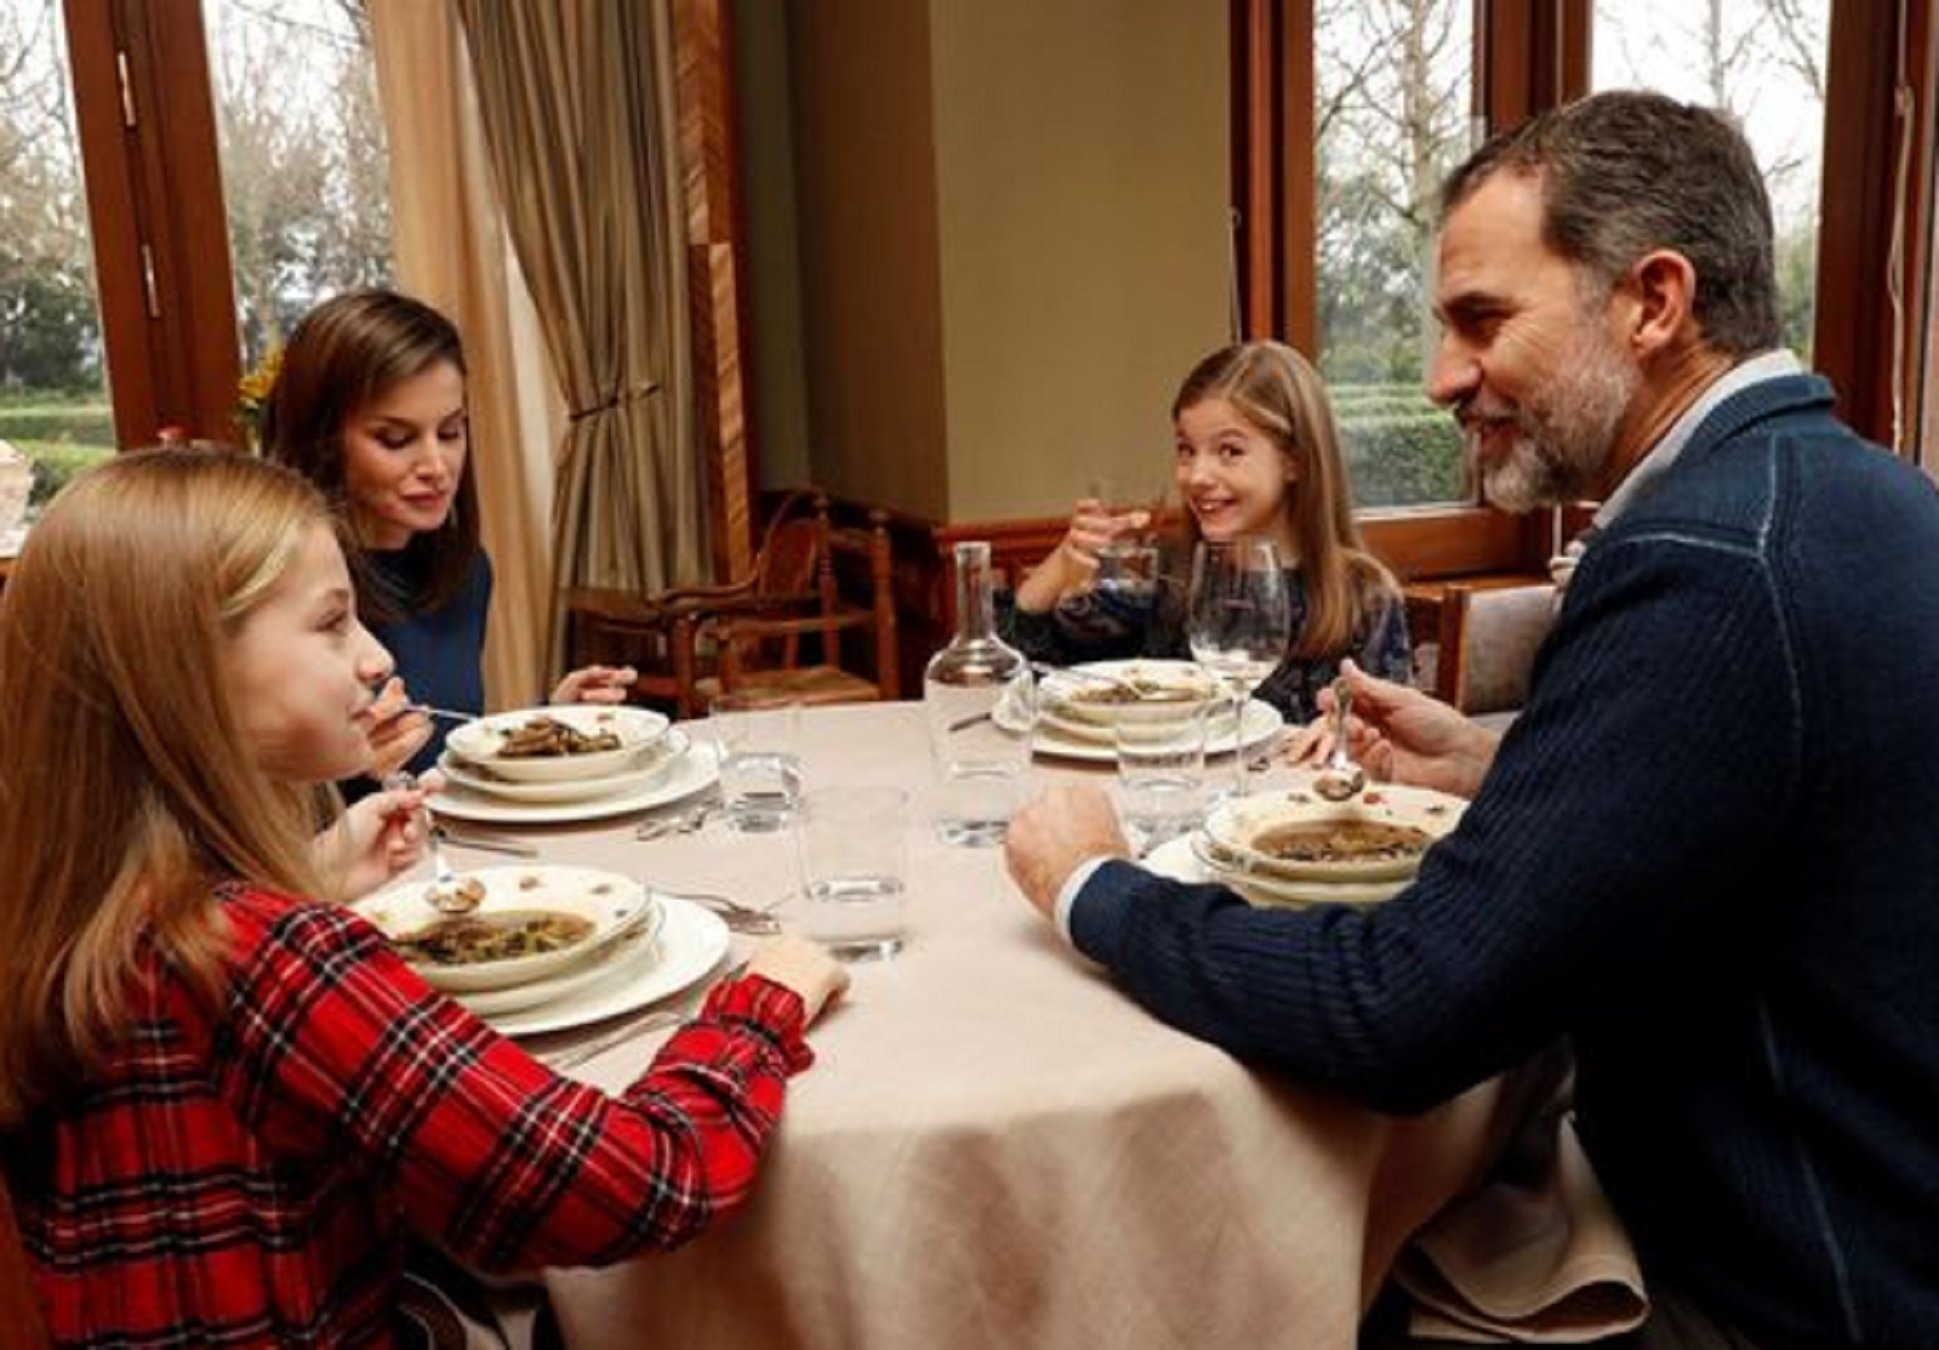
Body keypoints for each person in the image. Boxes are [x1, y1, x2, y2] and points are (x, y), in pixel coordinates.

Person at [1003, 90, 1939, 1348]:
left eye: (1480, 321)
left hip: (1781, 1290)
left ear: (1653, 303)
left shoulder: (1704, 558)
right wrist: (1509, 767)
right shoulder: (1864, 491)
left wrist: (1091, 887)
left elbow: (1399, 1010)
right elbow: (1784, 814)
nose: (1443, 375)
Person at [0, 449, 848, 1346]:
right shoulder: (270, 960)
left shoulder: (66, 911)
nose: (373, 660)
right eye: (331, 626)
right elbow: (629, 1185)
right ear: (182, 676)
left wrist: (312, 876)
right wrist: (764, 1003)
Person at [262, 288, 636, 780]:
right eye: (395, 439)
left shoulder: (465, 573)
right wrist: (352, 772)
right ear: (323, 439)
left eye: (450, 432)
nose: (437, 466)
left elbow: (444, 752)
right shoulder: (278, 589)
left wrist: (548, 721)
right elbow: (254, 811)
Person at [1001, 340, 1411, 724]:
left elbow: (1386, 749)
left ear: (1295, 462)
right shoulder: (1171, 572)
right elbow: (1031, 666)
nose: (1196, 476)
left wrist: (1350, 739)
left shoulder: (1365, 596)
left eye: (1229, 451)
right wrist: (1066, 557)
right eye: (1186, 449)